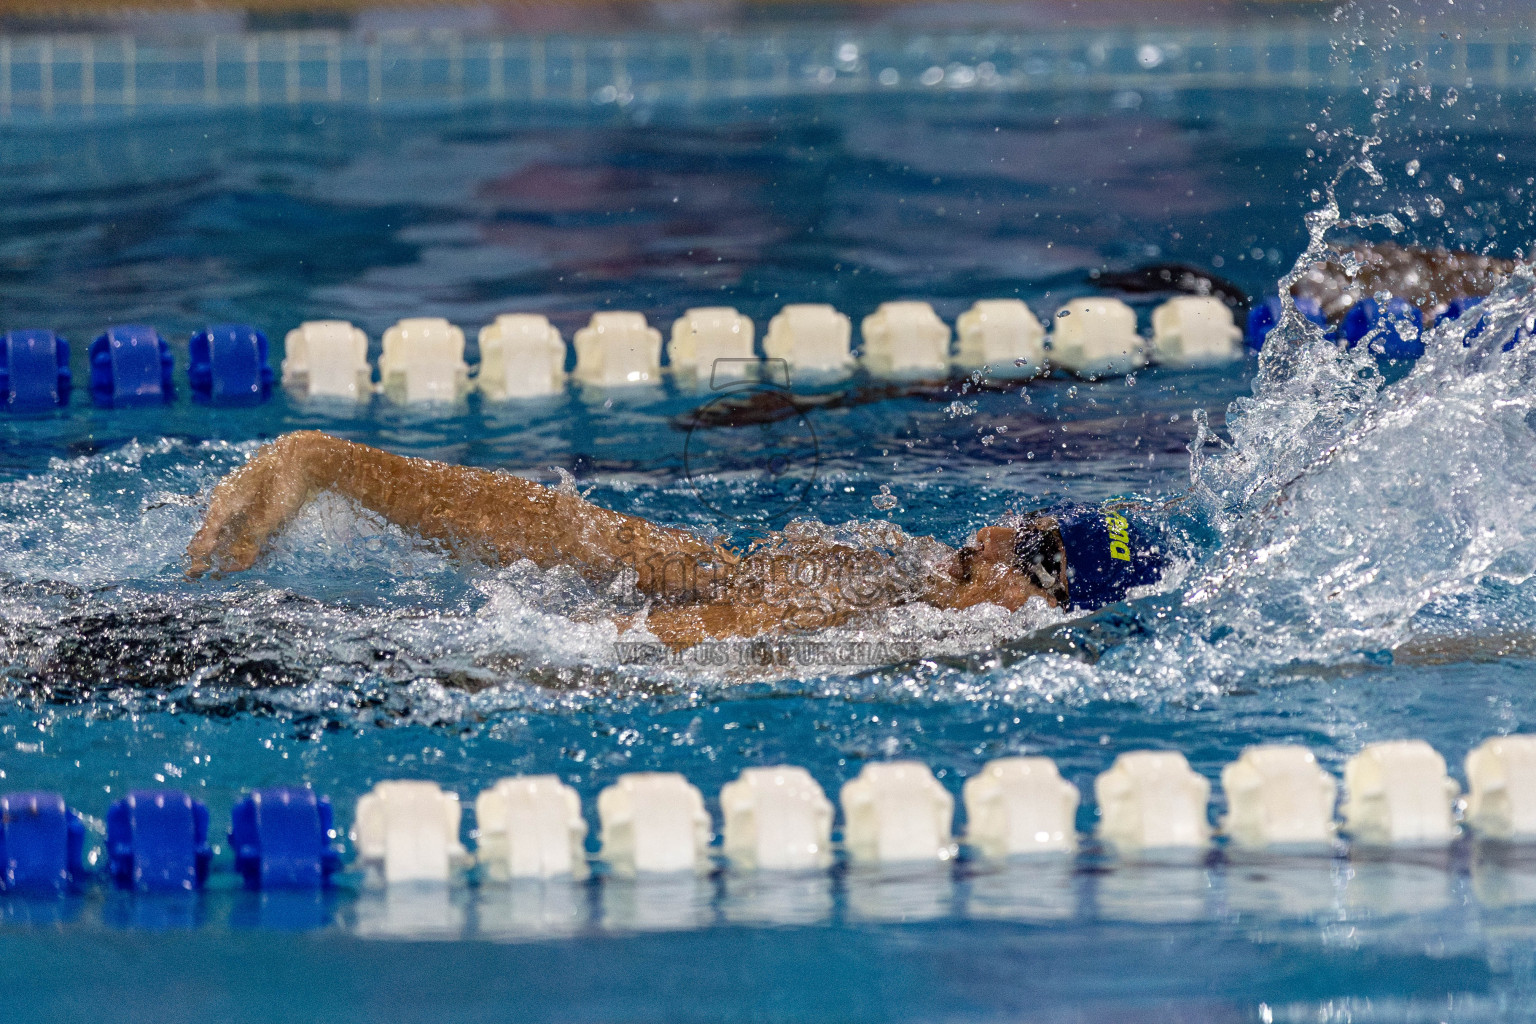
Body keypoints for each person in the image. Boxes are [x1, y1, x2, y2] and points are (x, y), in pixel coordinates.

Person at [187, 431, 1176, 649]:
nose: (999, 531)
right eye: (1030, 520)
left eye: (1035, 552)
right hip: (397, 662)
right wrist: (330, 464)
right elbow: (593, 541)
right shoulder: (877, 584)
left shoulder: (895, 612)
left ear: (1039, 608)